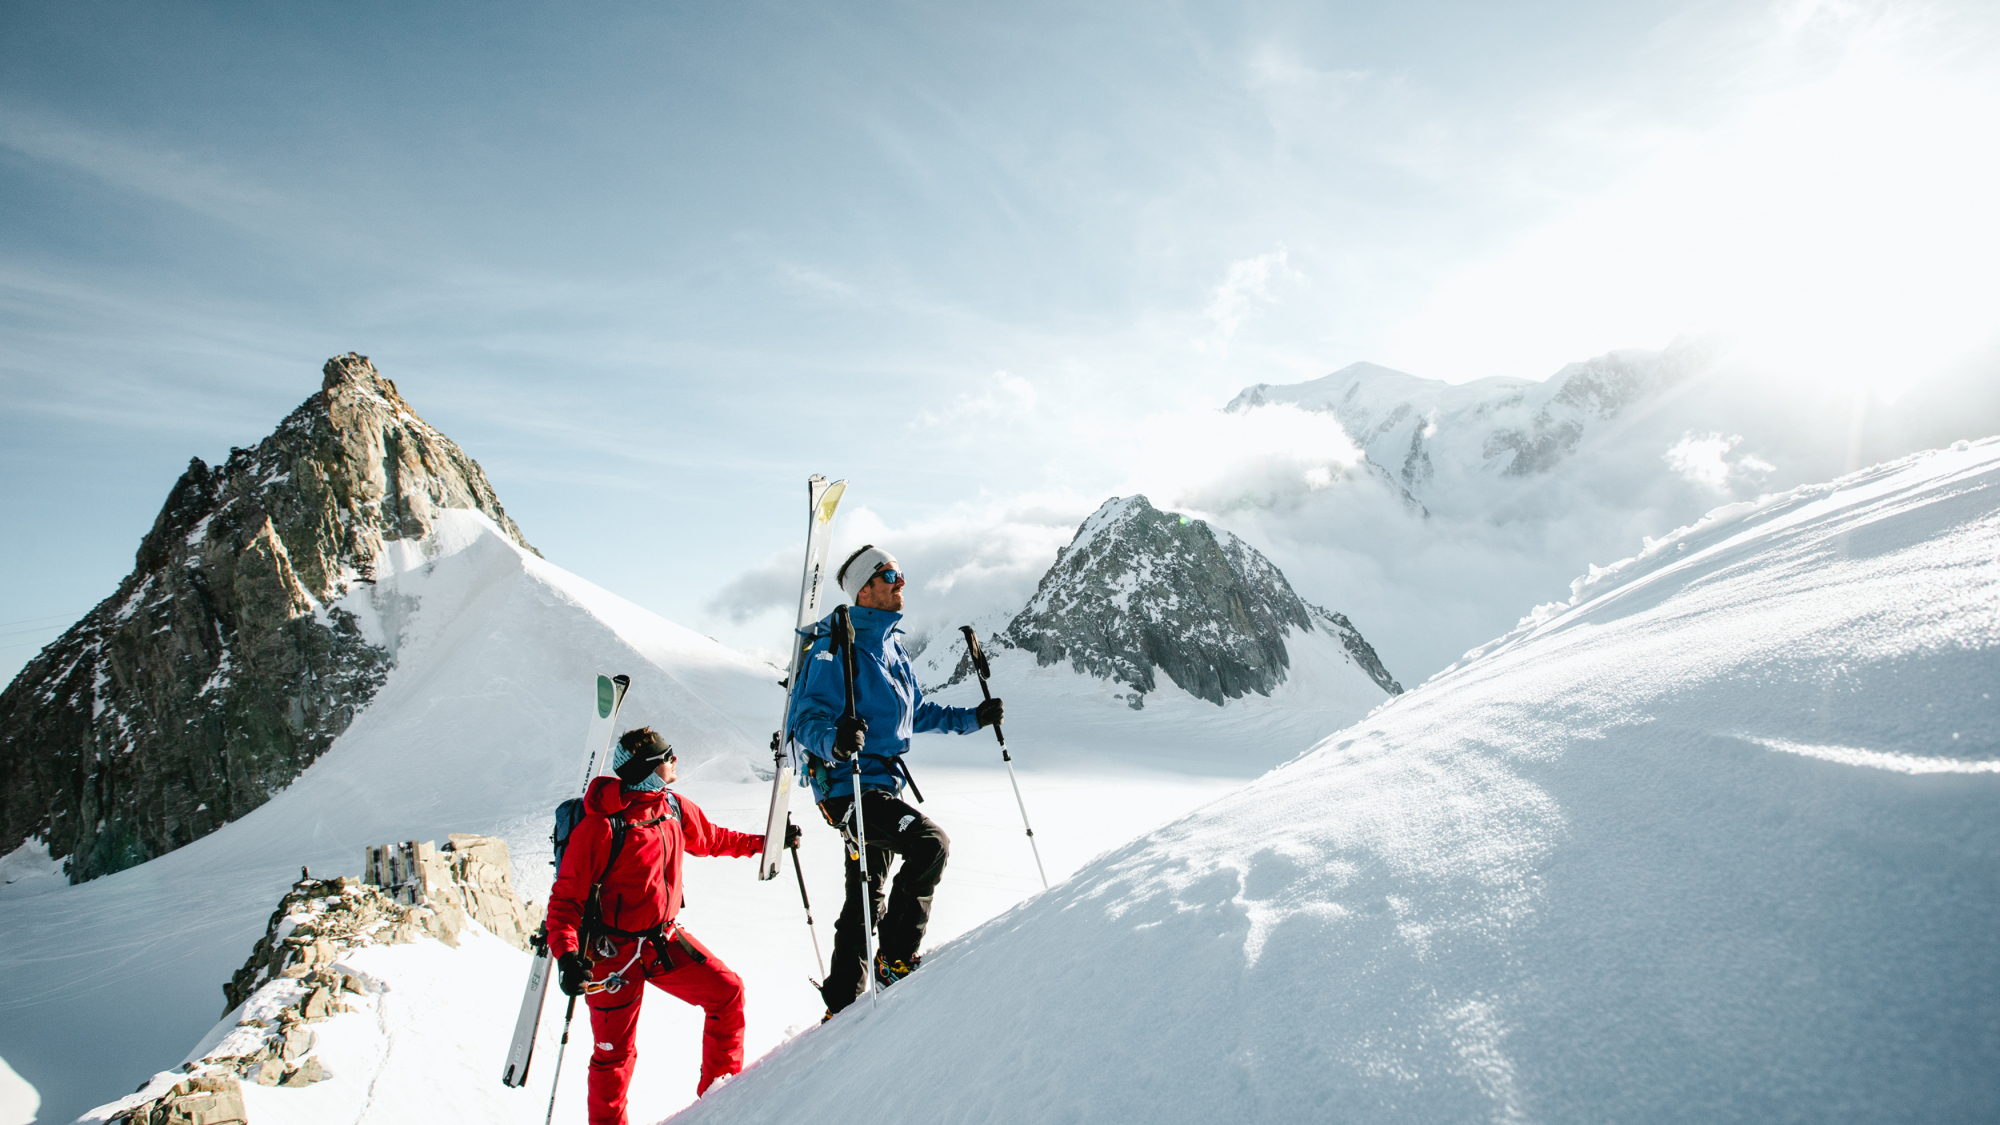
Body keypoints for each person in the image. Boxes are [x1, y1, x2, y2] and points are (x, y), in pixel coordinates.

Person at [789, 545, 1004, 1015]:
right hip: (848, 788)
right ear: (865, 589)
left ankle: (842, 998)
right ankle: (895, 959)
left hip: (881, 784)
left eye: (900, 573)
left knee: (865, 893)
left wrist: (973, 718)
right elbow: (805, 721)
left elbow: (914, 712)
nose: (901, 582)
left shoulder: (891, 643)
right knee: (930, 844)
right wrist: (836, 742)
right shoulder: (834, 646)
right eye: (890, 575)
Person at [545, 727, 793, 1120]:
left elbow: (712, 839)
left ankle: (721, 1103)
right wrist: (568, 957)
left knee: (727, 993)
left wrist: (767, 843)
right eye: (669, 756)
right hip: (612, 959)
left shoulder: (672, 807)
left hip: (664, 941)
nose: (675, 761)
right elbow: (565, 901)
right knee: (613, 1057)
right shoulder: (601, 826)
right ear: (649, 768)